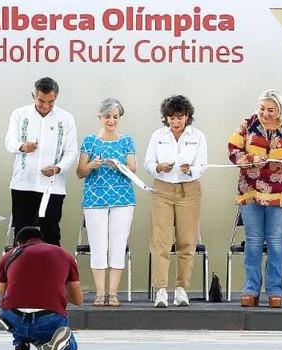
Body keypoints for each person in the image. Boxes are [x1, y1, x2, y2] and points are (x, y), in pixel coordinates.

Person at [229, 89, 282, 308]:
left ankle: (275, 291)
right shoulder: (247, 124)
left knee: (275, 241)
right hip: (251, 189)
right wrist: (249, 158)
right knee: (253, 240)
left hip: (281, 191)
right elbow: (233, 150)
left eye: (270, 109)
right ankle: (250, 289)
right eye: (262, 108)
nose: (265, 113)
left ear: (280, 109)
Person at [143, 94, 208, 308]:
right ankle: (161, 290)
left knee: (187, 242)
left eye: (179, 117)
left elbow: (202, 165)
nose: (175, 121)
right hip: (162, 189)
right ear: (166, 118)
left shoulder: (197, 136)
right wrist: (158, 168)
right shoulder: (158, 135)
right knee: (160, 241)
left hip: (189, 190)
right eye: (171, 117)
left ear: (187, 116)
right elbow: (148, 162)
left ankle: (181, 289)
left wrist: (190, 170)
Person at [4, 76, 79, 246]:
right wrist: (23, 147)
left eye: (50, 102)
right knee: (23, 235)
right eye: (41, 101)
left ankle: (52, 272)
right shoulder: (19, 114)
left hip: (53, 186)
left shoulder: (66, 118)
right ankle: (21, 271)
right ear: (33, 96)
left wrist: (58, 168)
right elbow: (9, 142)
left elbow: (71, 151)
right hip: (23, 184)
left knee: (51, 234)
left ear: (56, 97)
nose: (45, 105)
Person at [78, 97, 137, 307]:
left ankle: (113, 293)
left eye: (115, 117)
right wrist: (92, 165)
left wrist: (118, 165)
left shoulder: (127, 140)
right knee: (98, 244)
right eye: (107, 116)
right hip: (95, 198)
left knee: (118, 244)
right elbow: (80, 172)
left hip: (123, 198)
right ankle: (100, 293)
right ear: (99, 117)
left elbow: (133, 168)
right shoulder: (89, 141)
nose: (111, 120)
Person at [0, 225, 82, 350]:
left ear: (18, 243)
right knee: (72, 349)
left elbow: (3, 295)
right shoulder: (64, 254)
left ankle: (22, 346)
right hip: (49, 319)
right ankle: (61, 345)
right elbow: (78, 300)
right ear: (43, 241)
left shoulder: (8, 255)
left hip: (14, 320)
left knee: (9, 307)